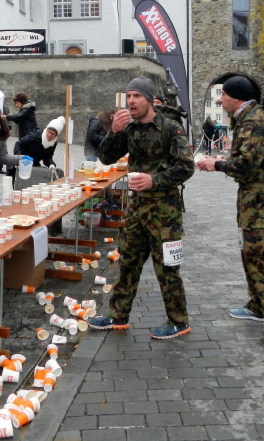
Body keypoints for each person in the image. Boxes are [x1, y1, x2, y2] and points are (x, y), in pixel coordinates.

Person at [88, 76, 195, 340]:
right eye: (129, 96)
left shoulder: (170, 128)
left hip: (165, 212)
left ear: (148, 100)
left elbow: (186, 167)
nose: (131, 101)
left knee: (167, 268)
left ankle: (178, 321)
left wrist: (153, 180)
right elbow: (106, 157)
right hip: (136, 210)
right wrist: (114, 131)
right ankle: (118, 316)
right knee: (128, 263)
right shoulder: (130, 129)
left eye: (137, 96)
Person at [196, 75, 264, 344]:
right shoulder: (247, 117)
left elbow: (247, 164)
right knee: (247, 250)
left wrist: (216, 165)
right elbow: (248, 158)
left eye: (223, 94)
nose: (220, 100)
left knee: (258, 254)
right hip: (250, 195)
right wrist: (222, 161)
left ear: (236, 97)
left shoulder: (254, 121)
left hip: (258, 197)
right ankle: (257, 305)